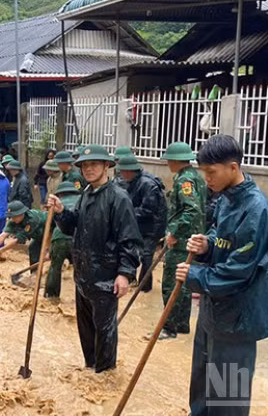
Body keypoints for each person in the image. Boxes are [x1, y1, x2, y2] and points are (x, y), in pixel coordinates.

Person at [177, 134, 268, 415]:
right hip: (213, 312)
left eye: (211, 173)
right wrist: (207, 245)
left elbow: (239, 271)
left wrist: (195, 276)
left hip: (238, 318)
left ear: (233, 168)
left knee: (227, 402)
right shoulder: (225, 199)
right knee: (201, 391)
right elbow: (221, 238)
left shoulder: (256, 209)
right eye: (204, 173)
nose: (207, 180)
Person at [47, 144, 142, 373]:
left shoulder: (118, 198)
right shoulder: (86, 195)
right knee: (86, 330)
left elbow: (129, 239)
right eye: (85, 165)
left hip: (106, 278)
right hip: (83, 277)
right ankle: (90, 369)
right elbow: (74, 226)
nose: (89, 169)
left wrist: (124, 274)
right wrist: (61, 212)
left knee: (105, 332)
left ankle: (105, 375)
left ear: (106, 166)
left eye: (94, 164)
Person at [156, 141, 207, 340]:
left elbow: (192, 209)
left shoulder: (184, 180)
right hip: (191, 239)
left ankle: (169, 327)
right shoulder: (196, 177)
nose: (168, 163)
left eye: (169, 159)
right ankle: (181, 325)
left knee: (171, 283)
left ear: (176, 160)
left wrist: (175, 232)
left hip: (182, 240)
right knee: (183, 282)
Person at [116, 155, 167, 292]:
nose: (121, 175)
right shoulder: (133, 182)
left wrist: (128, 214)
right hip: (141, 225)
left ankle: (144, 287)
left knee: (146, 255)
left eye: (122, 172)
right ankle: (132, 279)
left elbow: (148, 210)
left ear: (130, 171)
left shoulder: (147, 184)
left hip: (152, 227)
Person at [0, 201, 49, 270]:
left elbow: (17, 240)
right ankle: (34, 274)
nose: (13, 219)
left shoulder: (32, 219)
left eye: (15, 216)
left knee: (51, 254)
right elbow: (3, 235)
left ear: (22, 214)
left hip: (51, 232)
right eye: (11, 216)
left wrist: (0, 251)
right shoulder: (13, 220)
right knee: (33, 248)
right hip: (38, 236)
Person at [45, 181, 80, 299]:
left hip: (58, 239)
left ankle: (51, 296)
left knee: (55, 267)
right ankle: (81, 298)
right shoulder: (82, 200)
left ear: (59, 194)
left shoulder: (56, 203)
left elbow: (49, 228)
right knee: (81, 269)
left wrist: (47, 249)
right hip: (77, 239)